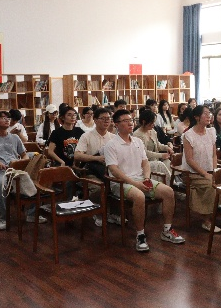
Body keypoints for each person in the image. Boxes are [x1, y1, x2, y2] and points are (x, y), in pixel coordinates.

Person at [104, 109, 184, 252]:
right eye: (126, 121)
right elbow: (114, 170)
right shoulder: (111, 145)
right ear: (116, 124)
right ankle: (140, 235)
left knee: (168, 191)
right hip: (120, 183)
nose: (130, 123)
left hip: (140, 179)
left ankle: (167, 230)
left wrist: (146, 178)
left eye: (131, 120)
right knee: (139, 196)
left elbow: (145, 163)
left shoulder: (137, 141)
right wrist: (135, 183)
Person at [0, 111, 46, 231]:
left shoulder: (15, 137)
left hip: (17, 169)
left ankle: (31, 214)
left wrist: (22, 162)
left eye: (8, 118)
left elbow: (24, 154)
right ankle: (3, 218)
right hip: (1, 171)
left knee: (38, 181)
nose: (7, 120)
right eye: (3, 118)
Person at [182, 105, 221, 232]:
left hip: (210, 171)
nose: (209, 115)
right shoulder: (188, 135)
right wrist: (205, 174)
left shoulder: (211, 132)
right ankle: (206, 220)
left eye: (209, 113)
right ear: (197, 117)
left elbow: (214, 154)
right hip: (193, 174)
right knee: (211, 185)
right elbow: (189, 160)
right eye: (205, 113)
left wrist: (215, 171)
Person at [74, 107, 116, 226]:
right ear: (95, 120)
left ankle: (114, 213)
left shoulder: (113, 137)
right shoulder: (86, 136)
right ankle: (97, 213)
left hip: (109, 170)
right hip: (90, 171)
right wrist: (96, 158)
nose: (106, 121)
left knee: (119, 184)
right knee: (98, 187)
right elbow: (77, 155)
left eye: (108, 118)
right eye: (103, 118)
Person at [133, 109, 173, 180]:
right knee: (160, 164)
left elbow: (158, 145)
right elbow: (144, 153)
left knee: (168, 162)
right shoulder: (137, 135)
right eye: (151, 123)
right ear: (144, 122)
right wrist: (161, 155)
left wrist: (167, 148)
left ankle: (172, 182)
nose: (153, 125)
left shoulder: (152, 131)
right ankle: (172, 184)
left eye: (154, 122)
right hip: (144, 163)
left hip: (155, 159)